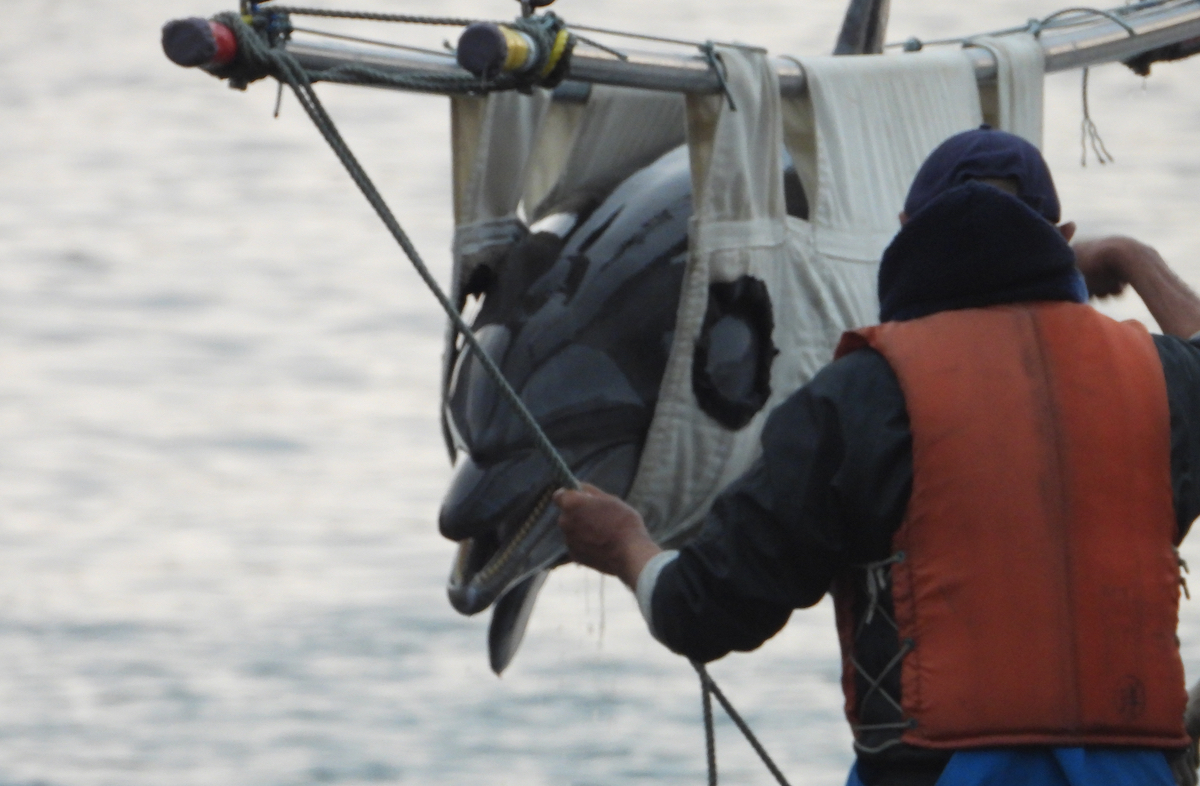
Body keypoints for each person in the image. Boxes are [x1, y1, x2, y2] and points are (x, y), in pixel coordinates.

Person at [553, 126, 1200, 786]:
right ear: (1062, 240)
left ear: (903, 230)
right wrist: (1132, 257)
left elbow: (700, 610)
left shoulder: (860, 396)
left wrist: (627, 545)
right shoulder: (1160, 381)